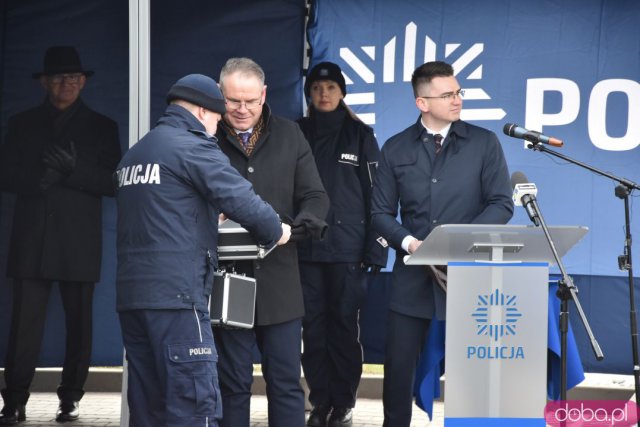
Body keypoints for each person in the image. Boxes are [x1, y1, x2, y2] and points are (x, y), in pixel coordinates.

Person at [115, 73, 291, 427]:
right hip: (179, 297)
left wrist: (207, 212)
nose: (216, 128)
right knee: (193, 404)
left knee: (148, 407)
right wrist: (276, 229)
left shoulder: (136, 153)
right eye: (216, 118)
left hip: (133, 297)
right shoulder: (191, 145)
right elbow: (242, 198)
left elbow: (163, 212)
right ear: (200, 110)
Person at [370, 61, 514, 426]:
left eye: (458, 92)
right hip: (412, 278)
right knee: (399, 370)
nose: (457, 100)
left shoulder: (484, 143)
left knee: (474, 373)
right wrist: (410, 244)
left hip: (471, 277)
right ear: (422, 102)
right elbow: (380, 214)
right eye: (447, 94)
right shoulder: (396, 147)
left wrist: (461, 243)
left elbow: (502, 203)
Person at [0, 46, 121, 425]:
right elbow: (5, 175)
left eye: (72, 78)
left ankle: (70, 399)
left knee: (79, 324)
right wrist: (38, 180)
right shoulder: (22, 123)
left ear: (83, 82)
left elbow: (113, 182)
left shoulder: (103, 127)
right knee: (23, 326)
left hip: (77, 241)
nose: (65, 84)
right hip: (32, 237)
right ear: (44, 83)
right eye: (57, 78)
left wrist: (73, 171)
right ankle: (14, 400)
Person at [213, 57, 329, 427]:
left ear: (264, 95)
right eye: (233, 101)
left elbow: (315, 196)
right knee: (232, 385)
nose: (242, 109)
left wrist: (295, 229)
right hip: (226, 281)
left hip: (280, 280)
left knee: (285, 382)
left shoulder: (291, 134)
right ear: (220, 96)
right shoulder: (205, 137)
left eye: (250, 100)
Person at [296, 62, 388, 427]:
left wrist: (376, 248)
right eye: (317, 88)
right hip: (304, 250)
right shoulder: (295, 132)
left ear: (342, 93)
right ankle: (319, 403)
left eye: (331, 87)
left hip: (348, 251)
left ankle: (344, 404)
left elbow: (377, 197)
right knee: (313, 331)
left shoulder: (360, 135)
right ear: (309, 93)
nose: (324, 94)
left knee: (344, 330)